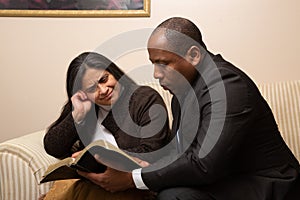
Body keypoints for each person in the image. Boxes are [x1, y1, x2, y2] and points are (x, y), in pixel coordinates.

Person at [77, 17, 300, 200]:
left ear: (193, 55)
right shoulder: (182, 91)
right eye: (153, 62)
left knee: (173, 196)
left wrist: (131, 178)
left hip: (268, 185)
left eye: (163, 63)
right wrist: (133, 162)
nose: (155, 73)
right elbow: (181, 154)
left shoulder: (227, 85)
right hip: (227, 178)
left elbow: (204, 164)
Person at [42, 51, 170, 199]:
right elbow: (52, 148)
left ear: (113, 72)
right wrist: (76, 117)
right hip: (94, 186)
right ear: (82, 93)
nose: (103, 90)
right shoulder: (85, 107)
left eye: (104, 79)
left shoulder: (144, 98)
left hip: (136, 187)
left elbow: (152, 151)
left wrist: (102, 157)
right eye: (91, 89)